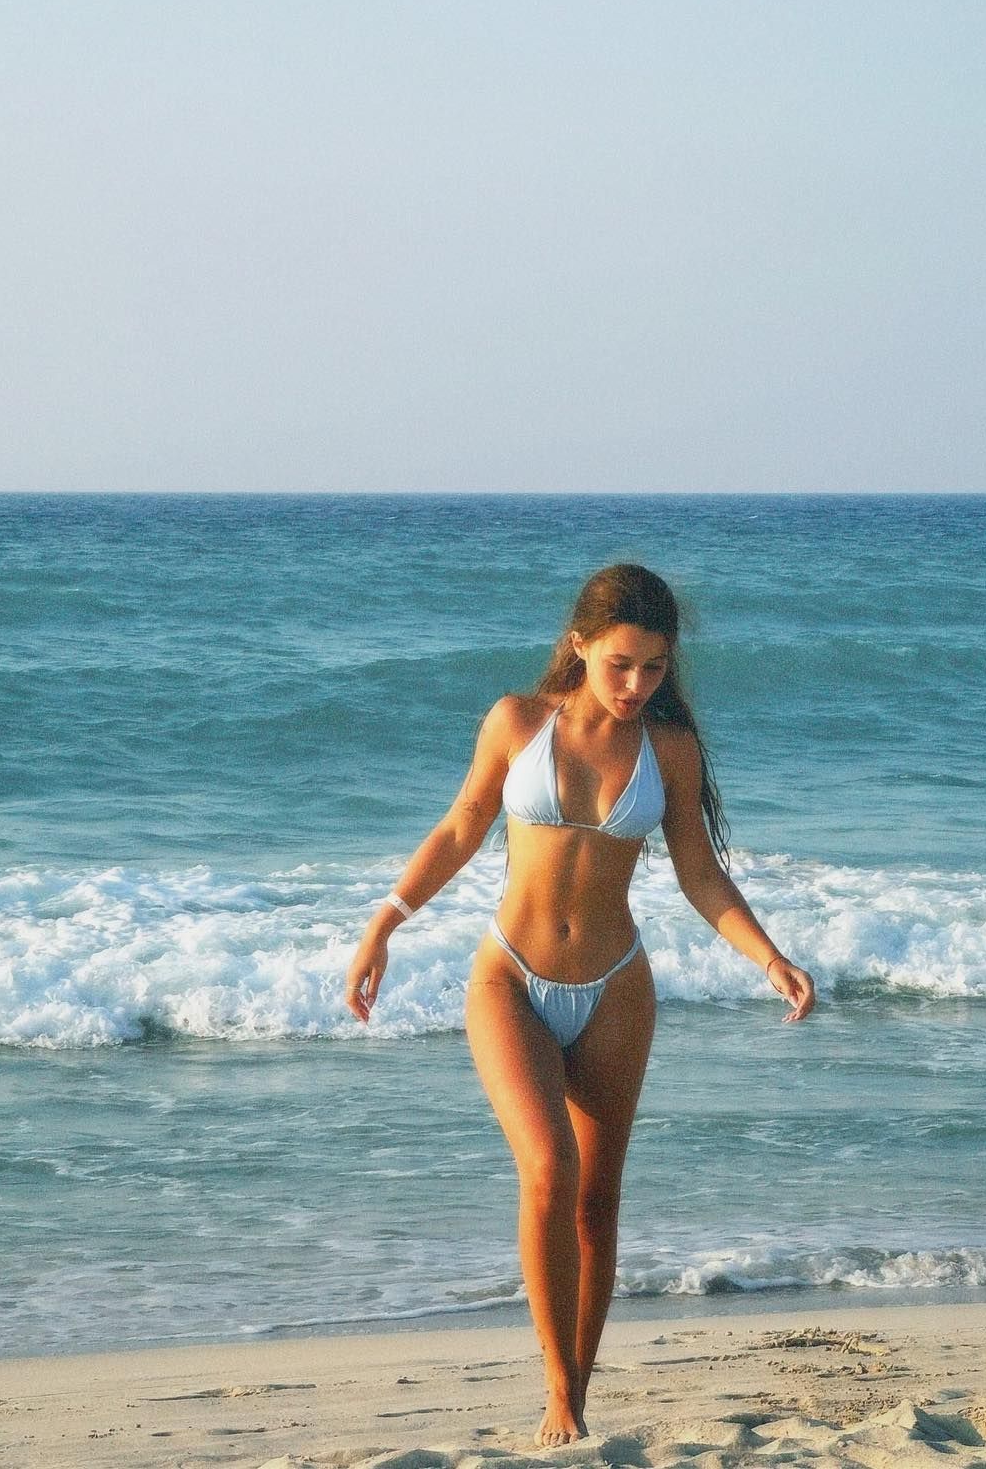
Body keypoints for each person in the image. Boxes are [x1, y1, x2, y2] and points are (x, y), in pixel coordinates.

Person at [345, 563, 815, 1446]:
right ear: (580, 646)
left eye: (654, 667)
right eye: (620, 664)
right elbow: (461, 826)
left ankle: (576, 1396)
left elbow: (700, 873)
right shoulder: (518, 723)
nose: (637, 685)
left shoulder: (668, 749)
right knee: (549, 1171)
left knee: (598, 1205)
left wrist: (768, 958)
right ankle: (556, 1387)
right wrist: (384, 925)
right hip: (511, 978)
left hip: (617, 988)